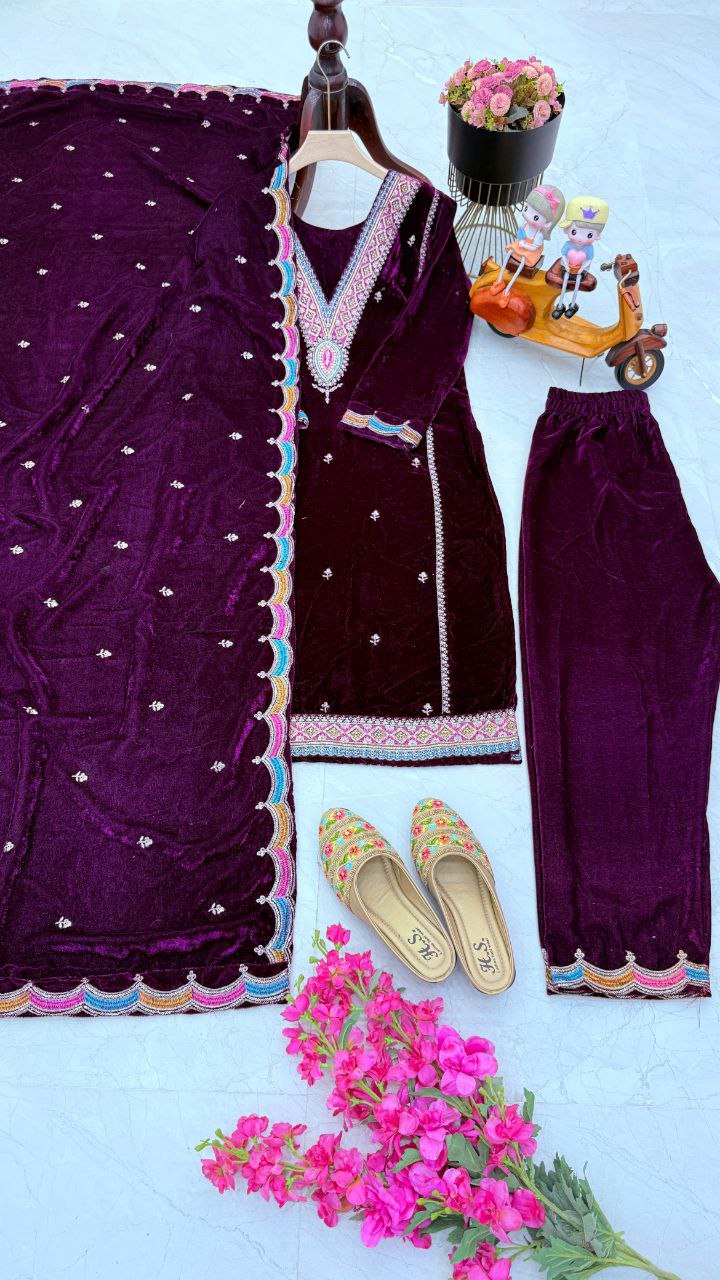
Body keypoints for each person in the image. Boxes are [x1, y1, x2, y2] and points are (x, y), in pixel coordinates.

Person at [490, 184, 565, 308]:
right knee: (508, 254)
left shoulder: (538, 235)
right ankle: (499, 281)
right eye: (526, 208)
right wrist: (520, 242)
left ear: (547, 223)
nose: (528, 216)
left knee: (521, 264)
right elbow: (519, 236)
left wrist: (524, 244)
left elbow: (534, 247)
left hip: (530, 253)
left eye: (536, 217)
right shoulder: (525, 226)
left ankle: (507, 291)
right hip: (520, 247)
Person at [551, 195, 609, 320]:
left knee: (577, 282)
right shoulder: (568, 245)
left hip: (580, 271)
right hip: (567, 268)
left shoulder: (589, 249)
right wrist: (567, 266)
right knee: (565, 280)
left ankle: (572, 305)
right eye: (574, 232)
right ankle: (560, 306)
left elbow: (588, 260)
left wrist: (581, 268)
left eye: (589, 235)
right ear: (567, 230)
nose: (580, 238)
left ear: (598, 235)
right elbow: (564, 255)